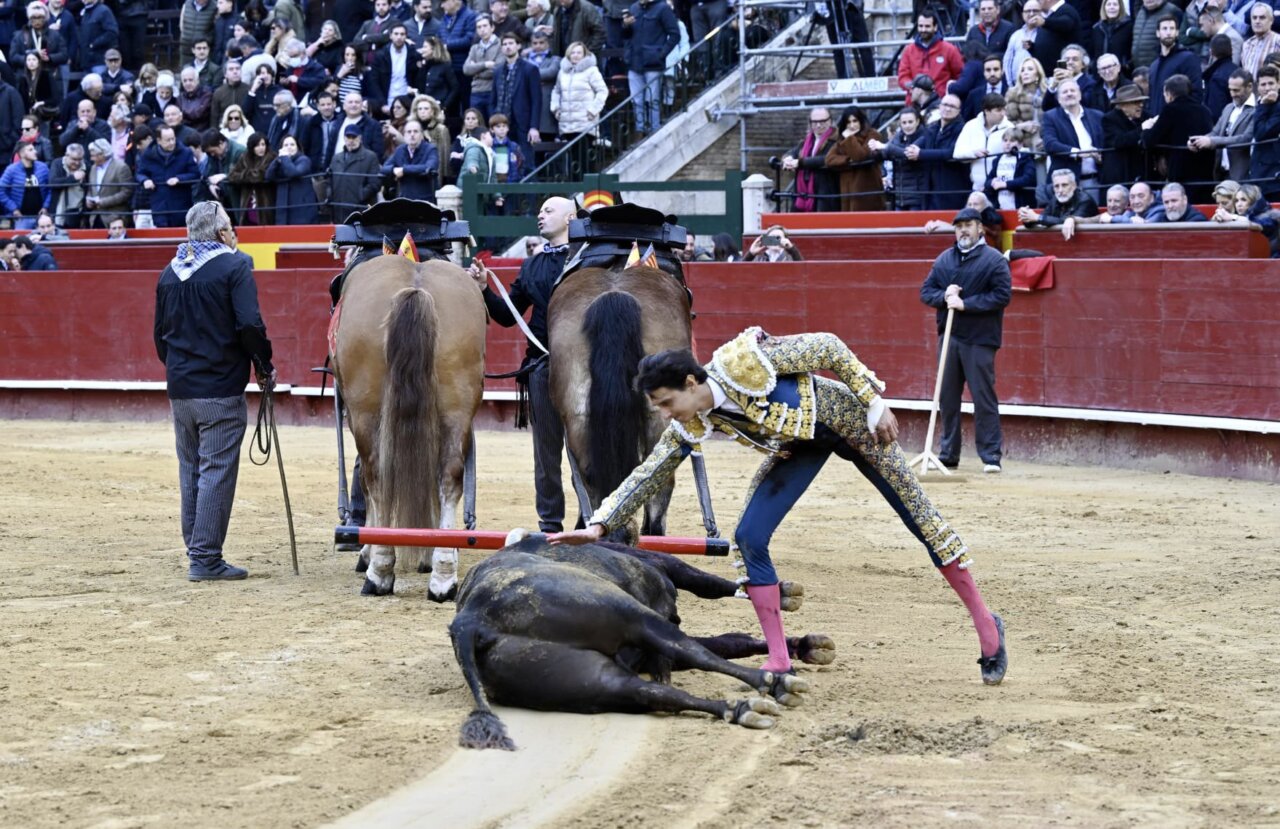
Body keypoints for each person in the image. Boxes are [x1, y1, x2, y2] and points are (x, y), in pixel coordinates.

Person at [548, 327, 1008, 687]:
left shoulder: (743, 361)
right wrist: (602, 523)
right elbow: (649, 472)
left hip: (854, 426)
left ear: (691, 382)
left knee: (922, 520)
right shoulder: (694, 420)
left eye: (668, 402)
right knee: (749, 537)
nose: (667, 414)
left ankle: (989, 631)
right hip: (798, 448)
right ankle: (779, 658)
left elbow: (827, 347)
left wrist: (872, 400)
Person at [153, 201, 274, 582]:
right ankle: (204, 558)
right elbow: (249, 325)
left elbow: (159, 338)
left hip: (181, 389)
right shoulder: (234, 266)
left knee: (191, 469)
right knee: (216, 471)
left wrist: (178, 369)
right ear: (222, 233)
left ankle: (197, 550)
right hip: (219, 389)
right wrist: (263, 365)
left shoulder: (168, 274)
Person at [468, 196, 576, 533]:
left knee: (585, 450)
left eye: (548, 210)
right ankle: (550, 526)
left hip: (581, 369)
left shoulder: (587, 259)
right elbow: (505, 316)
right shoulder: (531, 266)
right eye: (539, 210)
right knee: (546, 454)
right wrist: (485, 288)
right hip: (541, 367)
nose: (540, 215)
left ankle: (594, 518)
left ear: (571, 218)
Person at [920, 205, 1011, 474]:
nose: (963, 230)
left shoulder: (994, 260)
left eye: (968, 225)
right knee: (948, 397)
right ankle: (948, 454)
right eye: (959, 226)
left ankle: (991, 455)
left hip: (980, 339)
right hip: (949, 338)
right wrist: (944, 297)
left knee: (983, 397)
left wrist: (965, 304)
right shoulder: (945, 259)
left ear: (980, 228)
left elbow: (1002, 296)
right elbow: (926, 291)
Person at [1141, 74, 1215, 203]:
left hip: (1181, 176)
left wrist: (1146, 128)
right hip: (1205, 176)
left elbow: (1149, 140)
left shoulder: (1170, 110)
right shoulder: (1205, 111)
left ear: (1169, 93)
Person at [622, 0, 679, 137]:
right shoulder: (634, 7)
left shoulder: (663, 8)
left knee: (652, 99)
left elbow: (675, 34)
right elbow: (625, 36)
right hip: (634, 61)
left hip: (653, 62)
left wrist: (661, 54)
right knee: (637, 100)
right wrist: (625, 26)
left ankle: (655, 131)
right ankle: (640, 131)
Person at [1188, 69, 1254, 182]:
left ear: (1249, 87)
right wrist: (1198, 141)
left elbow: (1245, 139)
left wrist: (1211, 141)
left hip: (1242, 175)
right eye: (1230, 90)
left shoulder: (1256, 110)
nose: (1232, 94)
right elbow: (1215, 132)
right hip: (1221, 173)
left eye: (1236, 90)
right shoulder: (1228, 108)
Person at [1041, 78, 1103, 193]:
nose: (1069, 94)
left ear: (1079, 95)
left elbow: (1105, 142)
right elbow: (1050, 144)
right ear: (1059, 99)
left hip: (1095, 181)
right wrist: (1078, 153)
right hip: (1066, 185)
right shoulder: (1050, 117)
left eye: (1072, 91)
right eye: (1065, 92)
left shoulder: (1097, 116)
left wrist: (1100, 155)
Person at [137, 125, 201, 228]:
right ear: (158, 140)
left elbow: (195, 174)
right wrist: (145, 180)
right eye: (168, 140)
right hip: (159, 206)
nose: (172, 142)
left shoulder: (185, 153)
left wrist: (179, 179)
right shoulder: (148, 155)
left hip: (181, 207)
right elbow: (140, 173)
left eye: (173, 139)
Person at [914, 93, 970, 209]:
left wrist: (920, 154)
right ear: (939, 107)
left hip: (953, 189)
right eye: (945, 104)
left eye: (952, 106)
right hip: (930, 190)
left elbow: (951, 153)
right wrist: (886, 147)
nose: (947, 108)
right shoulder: (932, 128)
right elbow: (912, 147)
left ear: (959, 110)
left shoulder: (964, 129)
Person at [824, 105, 884, 211]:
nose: (852, 126)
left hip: (868, 193)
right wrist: (848, 161)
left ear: (861, 121)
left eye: (855, 121)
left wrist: (850, 139)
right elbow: (829, 159)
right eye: (848, 122)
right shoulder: (841, 139)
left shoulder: (873, 135)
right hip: (848, 194)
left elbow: (859, 156)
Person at [898, 12, 964, 103]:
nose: (923, 29)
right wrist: (913, 86)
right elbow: (903, 76)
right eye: (920, 26)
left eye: (927, 26)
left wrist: (948, 93)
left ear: (935, 27)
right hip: (914, 103)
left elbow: (960, 75)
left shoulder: (950, 50)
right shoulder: (909, 50)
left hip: (940, 103)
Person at [782, 107, 840, 212]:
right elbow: (792, 152)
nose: (818, 125)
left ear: (830, 121)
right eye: (815, 122)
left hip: (825, 195)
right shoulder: (807, 141)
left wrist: (800, 163)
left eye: (823, 121)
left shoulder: (837, 140)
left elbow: (826, 159)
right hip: (803, 195)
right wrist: (788, 159)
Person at [953, 92, 1011, 195]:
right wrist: (974, 153)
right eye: (998, 110)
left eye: (1004, 109)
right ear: (987, 111)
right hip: (977, 189)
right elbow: (957, 153)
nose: (1003, 113)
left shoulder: (1010, 128)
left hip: (1002, 189)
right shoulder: (971, 125)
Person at [1018, 167, 1099, 239]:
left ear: (1074, 185)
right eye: (1056, 186)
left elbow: (1065, 221)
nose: (1060, 190)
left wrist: (1038, 218)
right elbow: (1043, 218)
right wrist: (1027, 217)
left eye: (1064, 185)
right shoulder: (1055, 199)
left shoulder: (1085, 200)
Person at [871, 107, 927, 210]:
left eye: (910, 122)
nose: (907, 126)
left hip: (917, 196)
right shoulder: (898, 136)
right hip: (899, 196)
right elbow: (885, 154)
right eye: (904, 123)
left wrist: (884, 146)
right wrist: (874, 149)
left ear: (918, 121)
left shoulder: (924, 136)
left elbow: (907, 153)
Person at [1148, 15, 1203, 117]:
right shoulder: (1154, 66)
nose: (1168, 32)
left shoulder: (1188, 58)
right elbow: (1151, 97)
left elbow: (1196, 93)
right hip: (1157, 122)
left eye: (1172, 28)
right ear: (1157, 33)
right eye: (1164, 28)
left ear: (1177, 32)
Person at [329, 123, 382, 219]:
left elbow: (375, 184)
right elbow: (330, 181)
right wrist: (329, 196)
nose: (351, 140)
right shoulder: (336, 158)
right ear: (344, 138)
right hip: (338, 209)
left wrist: (360, 195)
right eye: (348, 137)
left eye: (354, 137)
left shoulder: (370, 156)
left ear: (360, 138)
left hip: (360, 210)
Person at [1100, 83, 1147, 185]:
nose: (1141, 105)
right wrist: (1142, 129)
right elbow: (1118, 141)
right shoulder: (1109, 119)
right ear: (1123, 105)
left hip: (1142, 172)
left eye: (1141, 101)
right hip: (1120, 174)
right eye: (1136, 102)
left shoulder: (1146, 116)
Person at [381, 118, 438, 198]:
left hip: (424, 200)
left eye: (415, 131)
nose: (412, 134)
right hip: (404, 199)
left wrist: (404, 170)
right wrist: (394, 170)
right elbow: (384, 169)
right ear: (404, 135)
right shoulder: (400, 150)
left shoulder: (430, 149)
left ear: (422, 135)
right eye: (409, 132)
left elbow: (430, 167)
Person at [266, 134, 317, 224]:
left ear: (297, 147)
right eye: (286, 145)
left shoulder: (304, 160)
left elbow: (293, 172)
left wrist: (284, 158)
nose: (289, 147)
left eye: (292, 144)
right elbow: (268, 176)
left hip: (301, 209)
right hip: (283, 208)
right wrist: (277, 159)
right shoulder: (281, 160)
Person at [0, 142, 50, 229]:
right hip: (22, 217)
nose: (35, 151)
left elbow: (51, 189)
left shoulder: (43, 167)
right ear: (22, 153)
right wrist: (14, 209)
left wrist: (46, 206)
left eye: (34, 149)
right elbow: (1, 190)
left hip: (42, 216)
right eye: (30, 150)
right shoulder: (11, 170)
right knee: (22, 240)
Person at [1250, 65, 1280, 200]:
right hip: (1259, 173)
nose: (1267, 88)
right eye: (1263, 84)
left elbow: (1260, 133)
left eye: (1271, 83)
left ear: (1278, 84)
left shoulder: (1273, 105)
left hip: (1273, 177)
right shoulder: (1260, 103)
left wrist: (1264, 106)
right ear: (1257, 87)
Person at [1241, 3, 1280, 80]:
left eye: (1262, 17)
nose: (1257, 21)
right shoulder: (1247, 44)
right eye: (1254, 18)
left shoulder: (1278, 41)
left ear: (1271, 20)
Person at [1092, 0, 1133, 72]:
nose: (1112, 7)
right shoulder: (1097, 29)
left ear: (1120, 7)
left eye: (1115, 4)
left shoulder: (1129, 26)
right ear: (1104, 7)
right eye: (1109, 5)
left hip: (1122, 72)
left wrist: (1126, 64)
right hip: (1100, 73)